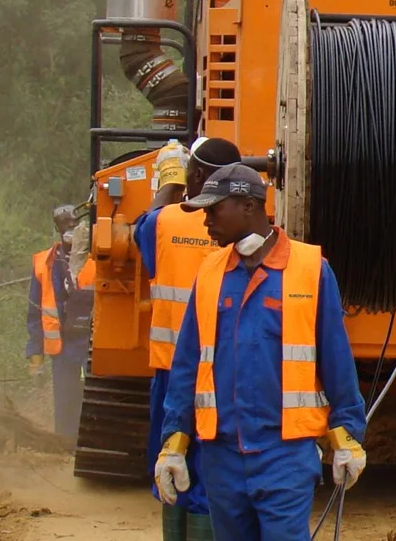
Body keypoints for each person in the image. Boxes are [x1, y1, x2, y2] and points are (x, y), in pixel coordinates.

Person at [155, 164, 367, 541]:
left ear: (249, 206)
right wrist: (173, 442)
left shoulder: (311, 270)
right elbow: (187, 363)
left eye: (214, 210)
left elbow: (336, 359)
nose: (206, 222)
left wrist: (348, 433)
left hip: (284, 455)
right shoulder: (210, 272)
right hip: (222, 456)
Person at [135, 137, 241, 540]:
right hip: (222, 375)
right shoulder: (241, 225)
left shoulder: (164, 222)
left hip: (170, 373)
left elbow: (142, 233)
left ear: (195, 175)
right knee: (210, 470)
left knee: (169, 465)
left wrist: (168, 177)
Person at [27, 205, 91, 444]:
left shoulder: (98, 257)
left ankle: (90, 448)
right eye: (64, 224)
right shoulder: (43, 263)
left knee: (93, 404)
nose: (69, 229)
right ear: (57, 228)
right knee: (65, 405)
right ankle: (65, 451)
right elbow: (34, 314)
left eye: (73, 224)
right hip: (62, 348)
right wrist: (35, 358)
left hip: (91, 345)